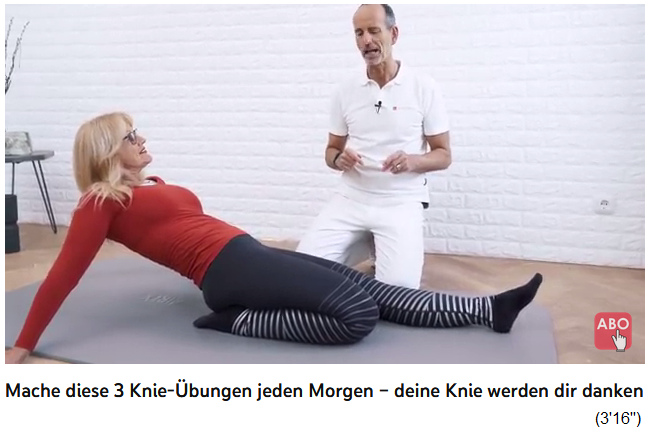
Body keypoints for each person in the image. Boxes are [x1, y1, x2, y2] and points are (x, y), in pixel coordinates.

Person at [5, 112, 542, 364]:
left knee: (370, 289)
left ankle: (488, 310)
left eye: (138, 130)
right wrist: (22, 346)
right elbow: (63, 277)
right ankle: (235, 320)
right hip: (226, 273)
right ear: (106, 151)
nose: (142, 139)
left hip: (246, 253)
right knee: (357, 315)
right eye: (130, 136)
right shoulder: (99, 203)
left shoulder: (151, 185)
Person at [297, 4, 451, 289]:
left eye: (373, 31)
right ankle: (371, 243)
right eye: (359, 33)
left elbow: (443, 155)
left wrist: (412, 161)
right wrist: (339, 159)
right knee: (301, 272)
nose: (366, 40)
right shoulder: (345, 90)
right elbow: (331, 152)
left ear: (394, 34)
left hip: (400, 201)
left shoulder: (423, 87)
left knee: (398, 293)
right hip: (351, 198)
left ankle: (380, 245)